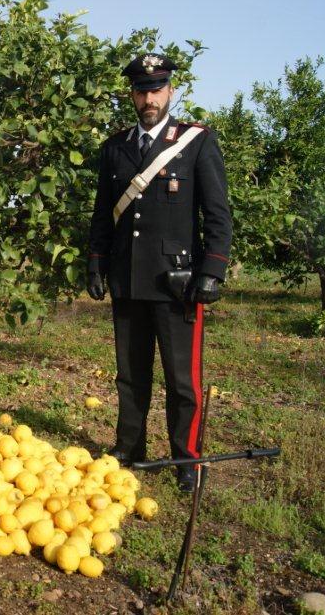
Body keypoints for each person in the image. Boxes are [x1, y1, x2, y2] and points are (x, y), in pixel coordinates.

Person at [86, 53, 232, 491]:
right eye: (140, 90)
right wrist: (96, 261)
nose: (148, 97)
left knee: (181, 378)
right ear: (131, 94)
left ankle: (186, 458)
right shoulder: (114, 147)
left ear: (170, 91)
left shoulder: (195, 141)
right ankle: (130, 447)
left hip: (178, 282)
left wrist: (213, 270)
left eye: (156, 89)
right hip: (128, 279)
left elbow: (218, 214)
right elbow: (101, 215)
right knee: (130, 373)